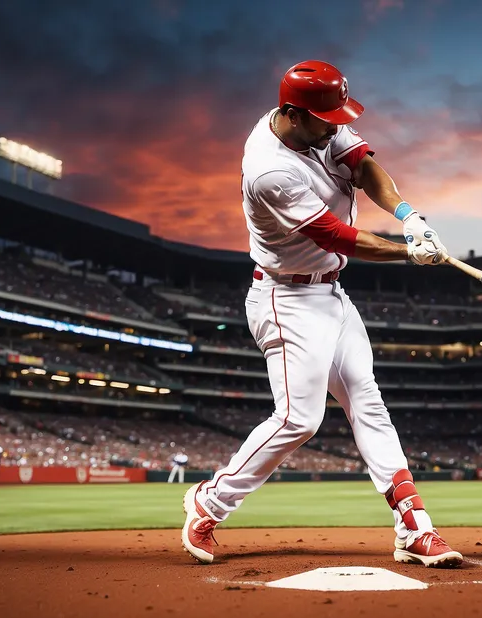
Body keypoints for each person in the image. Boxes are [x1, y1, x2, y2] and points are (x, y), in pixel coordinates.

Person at [181, 60, 462, 569]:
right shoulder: (270, 170)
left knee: (367, 400)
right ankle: (209, 501)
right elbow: (337, 236)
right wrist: (407, 252)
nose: (336, 126)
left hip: (331, 294)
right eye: (326, 119)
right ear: (292, 114)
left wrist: (409, 217)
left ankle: (414, 528)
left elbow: (364, 166)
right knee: (298, 419)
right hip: (284, 300)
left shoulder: (317, 120)